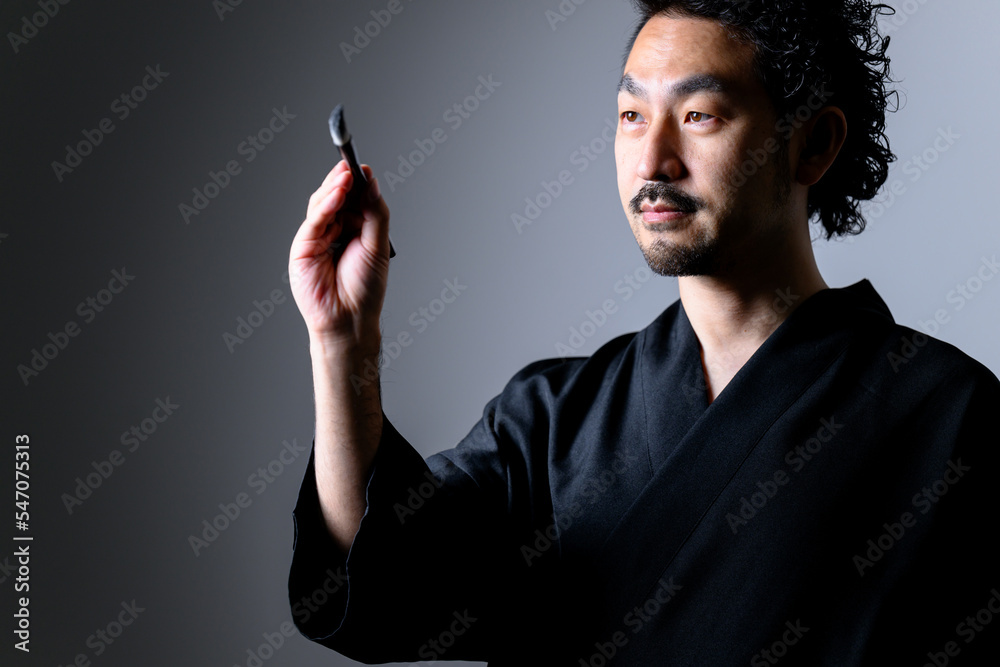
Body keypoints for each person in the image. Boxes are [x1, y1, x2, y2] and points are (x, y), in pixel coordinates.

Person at [286, 1, 999, 664]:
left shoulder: (945, 414)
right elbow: (386, 583)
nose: (652, 162)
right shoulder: (552, 417)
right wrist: (343, 342)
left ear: (813, 143)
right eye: (631, 115)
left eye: (698, 115)